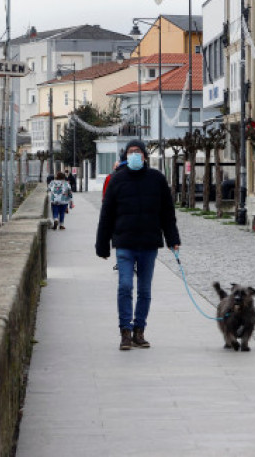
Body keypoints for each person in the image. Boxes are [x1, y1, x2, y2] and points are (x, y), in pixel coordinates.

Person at [96, 139, 180, 351]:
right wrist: (102, 245)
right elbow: (106, 214)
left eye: (138, 152)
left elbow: (167, 213)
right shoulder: (117, 180)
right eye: (131, 152)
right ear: (126, 156)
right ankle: (125, 330)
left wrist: (173, 239)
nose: (135, 155)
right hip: (124, 242)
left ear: (144, 156)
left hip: (149, 243)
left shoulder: (157, 179)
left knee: (144, 290)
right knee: (125, 286)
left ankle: (139, 330)